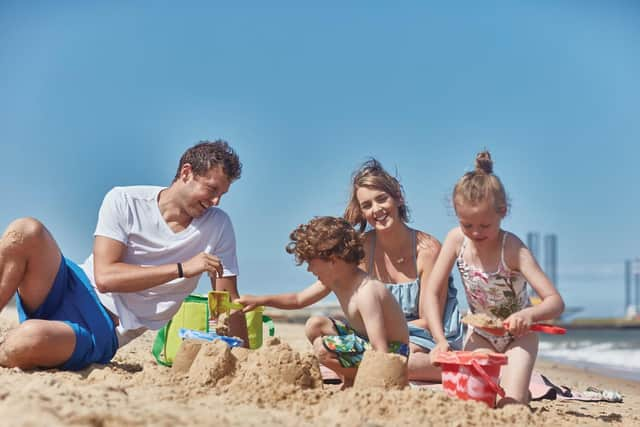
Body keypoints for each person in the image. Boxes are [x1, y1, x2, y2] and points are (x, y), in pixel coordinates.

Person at [0, 140, 245, 370]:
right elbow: (105, 278)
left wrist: (240, 356)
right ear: (186, 173)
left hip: (103, 328)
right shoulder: (125, 199)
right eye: (211, 190)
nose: (215, 202)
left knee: (25, 340)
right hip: (72, 283)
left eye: (222, 195)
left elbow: (225, 300)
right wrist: (182, 269)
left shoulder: (219, 227)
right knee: (25, 230)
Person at [424, 150, 565, 406]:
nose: (475, 232)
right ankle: (513, 389)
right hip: (480, 335)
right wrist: (440, 340)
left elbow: (555, 301)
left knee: (510, 405)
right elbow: (432, 292)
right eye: (467, 224)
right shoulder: (457, 240)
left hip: (519, 337)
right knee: (476, 403)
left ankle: (519, 392)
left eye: (485, 225)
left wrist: (529, 315)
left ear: (503, 212)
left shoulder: (513, 249)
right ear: (457, 216)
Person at [238, 216, 410, 387]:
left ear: (333, 260)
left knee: (323, 349)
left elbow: (381, 349)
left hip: (392, 352)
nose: (309, 269)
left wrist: (383, 381)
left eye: (311, 262)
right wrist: (260, 300)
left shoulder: (366, 292)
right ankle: (349, 379)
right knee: (315, 324)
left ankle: (360, 379)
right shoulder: (335, 279)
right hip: (364, 342)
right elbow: (298, 300)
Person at [343, 159, 463, 381]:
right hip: (377, 335)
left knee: (405, 361)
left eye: (381, 199)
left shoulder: (428, 249)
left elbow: (428, 319)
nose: (376, 210)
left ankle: (463, 369)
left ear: (398, 198)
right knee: (325, 345)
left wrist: (384, 332)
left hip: (424, 337)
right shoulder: (361, 249)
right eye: (367, 205)